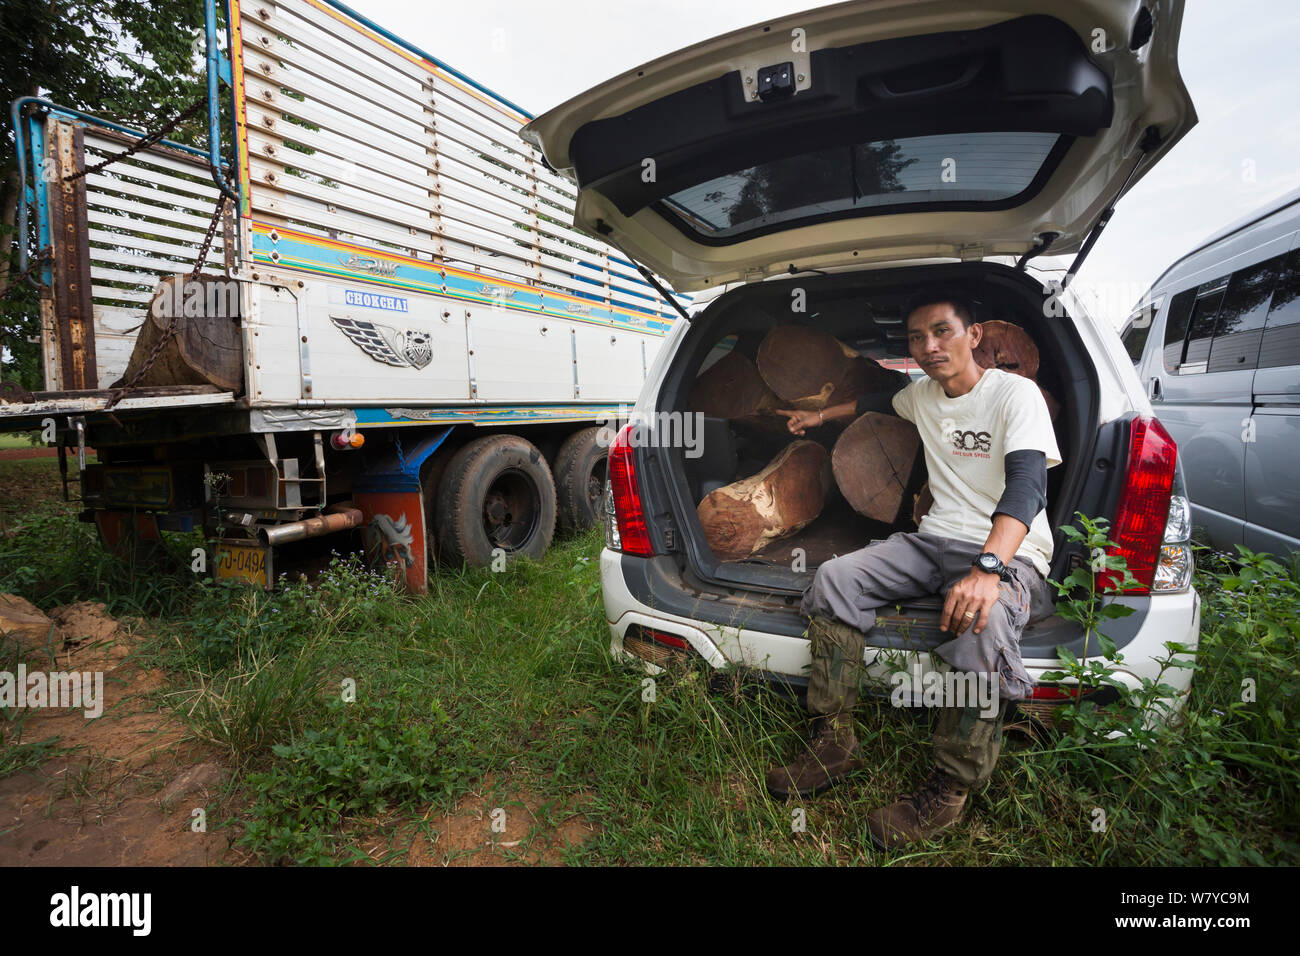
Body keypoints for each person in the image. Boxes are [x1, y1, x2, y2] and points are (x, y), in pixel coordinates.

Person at [768, 290, 1061, 850]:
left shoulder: (1014, 394)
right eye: (916, 337)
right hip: (932, 542)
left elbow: (1028, 485)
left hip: (1011, 551)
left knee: (984, 619)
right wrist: (817, 415)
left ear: (975, 335)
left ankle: (951, 787)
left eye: (943, 331)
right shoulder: (921, 396)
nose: (929, 346)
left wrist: (988, 569)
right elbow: (876, 399)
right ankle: (834, 739)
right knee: (834, 579)